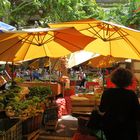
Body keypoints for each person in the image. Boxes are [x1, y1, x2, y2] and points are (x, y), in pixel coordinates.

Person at [99, 67, 140, 140]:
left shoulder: (107, 93)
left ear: (113, 79)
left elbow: (102, 109)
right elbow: (137, 114)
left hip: (111, 128)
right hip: (128, 129)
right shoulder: (131, 94)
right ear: (129, 80)